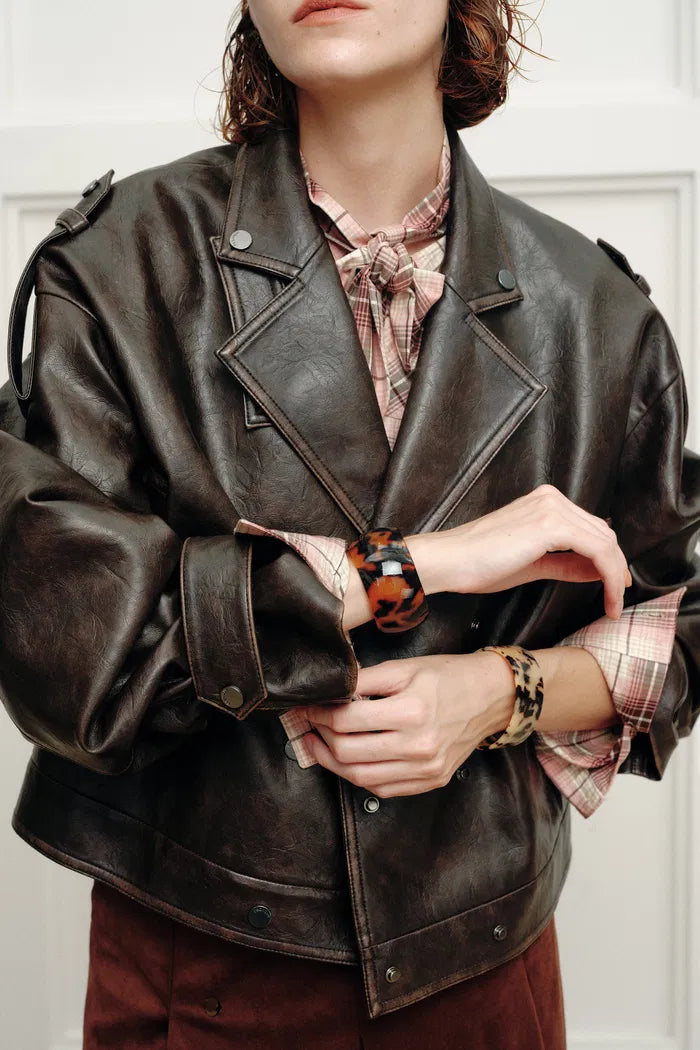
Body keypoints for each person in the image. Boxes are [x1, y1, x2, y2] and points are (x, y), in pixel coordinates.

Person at [1, 1, 698, 1047]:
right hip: (198, 972)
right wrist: (408, 568)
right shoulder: (116, 264)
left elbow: (682, 618)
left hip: (487, 975)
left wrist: (503, 692)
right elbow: (69, 652)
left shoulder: (593, 310)